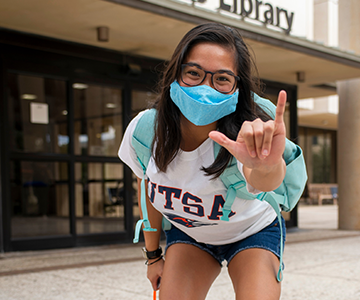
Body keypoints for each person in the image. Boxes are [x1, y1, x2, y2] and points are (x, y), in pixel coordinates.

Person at [119, 22, 306, 300]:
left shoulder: (246, 131)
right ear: (176, 74)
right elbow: (147, 186)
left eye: (222, 78)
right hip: (189, 233)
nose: (206, 87)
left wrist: (266, 163)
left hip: (252, 230)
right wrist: (153, 256)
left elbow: (264, 179)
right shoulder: (146, 131)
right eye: (193, 73)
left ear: (236, 87)